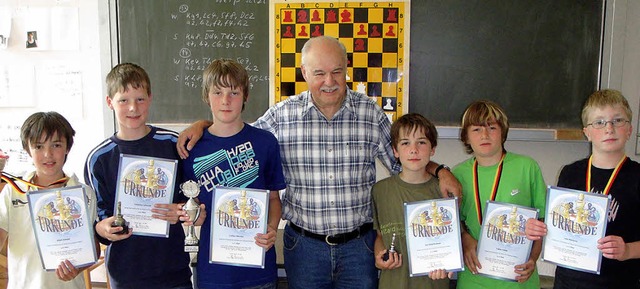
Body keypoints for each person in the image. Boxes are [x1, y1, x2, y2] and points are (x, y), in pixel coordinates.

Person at [176, 36, 461, 289]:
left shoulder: (369, 113)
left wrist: (440, 170)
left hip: (359, 249)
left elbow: (406, 160)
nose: (329, 81)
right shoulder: (282, 115)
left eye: (337, 71)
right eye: (319, 73)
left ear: (346, 68)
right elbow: (237, 133)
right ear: (304, 73)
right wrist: (202, 125)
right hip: (304, 248)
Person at [84, 63, 192, 289]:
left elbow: (193, 200)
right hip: (126, 275)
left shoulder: (173, 144)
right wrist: (102, 229)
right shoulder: (99, 158)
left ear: (150, 98)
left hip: (172, 270)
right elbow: (98, 219)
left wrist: (181, 210)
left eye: (140, 99)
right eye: (123, 100)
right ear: (109, 102)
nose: (133, 107)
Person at [182, 58, 286, 288]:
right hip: (213, 272)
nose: (226, 101)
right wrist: (195, 217)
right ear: (206, 96)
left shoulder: (265, 142)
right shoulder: (192, 147)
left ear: (245, 96)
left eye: (234, 93)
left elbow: (273, 199)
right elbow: (190, 205)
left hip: (258, 269)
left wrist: (271, 228)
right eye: (217, 92)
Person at [525, 89, 640, 289]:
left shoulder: (637, 176)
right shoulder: (570, 173)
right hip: (568, 283)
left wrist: (628, 250)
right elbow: (558, 226)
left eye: (618, 120)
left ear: (629, 129)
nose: (609, 129)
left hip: (620, 283)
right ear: (586, 132)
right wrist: (538, 229)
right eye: (599, 122)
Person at [452, 100, 546, 289]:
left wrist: (533, 259)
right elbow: (454, 223)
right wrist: (465, 238)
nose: (485, 135)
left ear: (503, 132)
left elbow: (542, 223)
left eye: (492, 127)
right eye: (476, 129)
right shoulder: (458, 174)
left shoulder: (527, 167)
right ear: (466, 137)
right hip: (474, 277)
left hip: (518, 276)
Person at [0, 111, 98, 289]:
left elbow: (93, 246)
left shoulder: (84, 193)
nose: (48, 154)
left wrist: (78, 267)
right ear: (27, 149)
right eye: (38, 146)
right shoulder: (13, 192)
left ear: (67, 147)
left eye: (56, 145)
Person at [372, 113, 451, 289]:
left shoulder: (443, 191)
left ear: (433, 149)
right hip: (393, 282)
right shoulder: (380, 191)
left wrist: (448, 264)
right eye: (405, 143)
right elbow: (379, 235)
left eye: (421, 142)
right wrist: (379, 254)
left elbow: (453, 240)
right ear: (395, 150)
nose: (413, 149)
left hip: (433, 283)